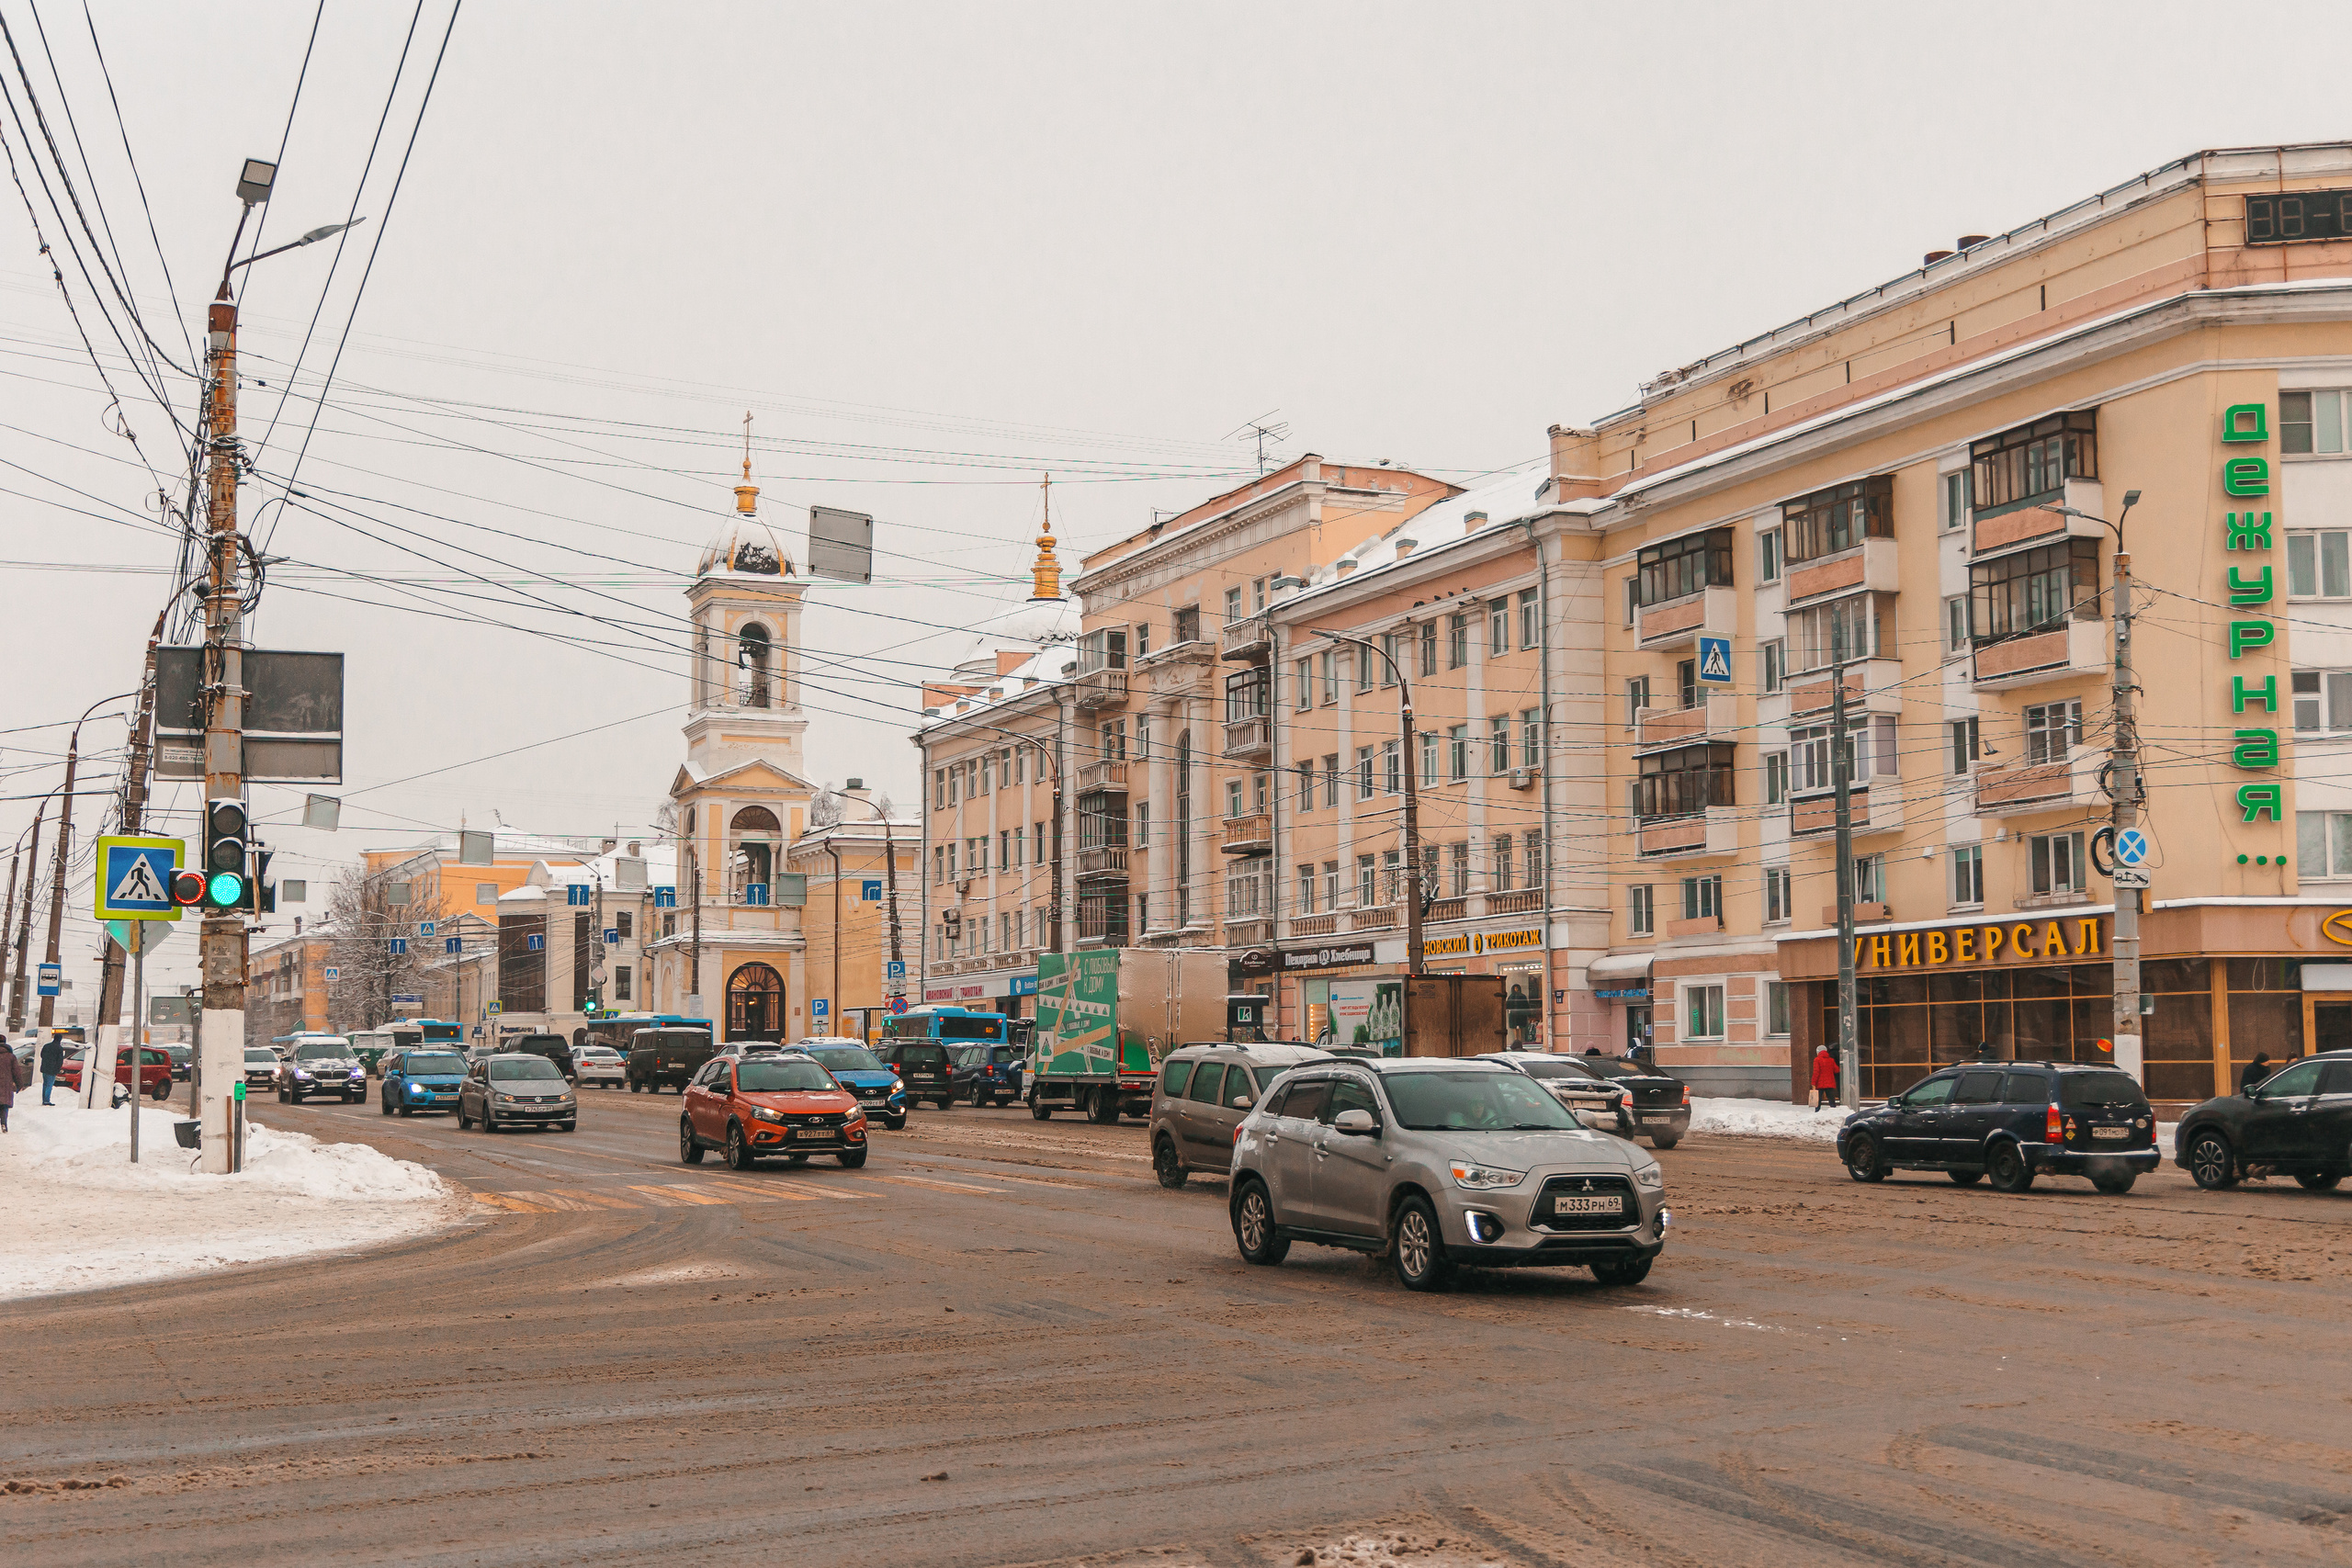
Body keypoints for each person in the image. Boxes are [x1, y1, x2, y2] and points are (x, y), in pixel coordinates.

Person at [1810, 1043, 1840, 1111]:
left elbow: (1816, 1072)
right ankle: (1834, 1112)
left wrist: (1813, 1083)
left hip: (1820, 1084)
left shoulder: (1817, 1060)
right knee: (1831, 1101)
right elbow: (1837, 1070)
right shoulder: (1831, 1060)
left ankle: (1817, 1112)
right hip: (1830, 1083)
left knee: (1818, 1101)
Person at [38, 1031, 63, 1107]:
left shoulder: (46, 1046)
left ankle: (44, 1100)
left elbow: (42, 1055)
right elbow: (60, 1060)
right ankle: (47, 1100)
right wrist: (57, 1069)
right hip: (52, 1069)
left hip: (44, 1068)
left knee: (45, 1084)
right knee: (49, 1085)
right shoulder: (59, 1048)